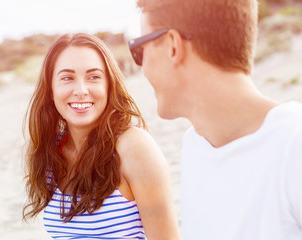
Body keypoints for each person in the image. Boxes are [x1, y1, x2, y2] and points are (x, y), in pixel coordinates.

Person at [128, 0, 302, 239]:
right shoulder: (196, 145)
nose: (142, 66)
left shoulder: (294, 145)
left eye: (139, 49)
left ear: (172, 46)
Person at [23, 33, 180, 239]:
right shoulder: (50, 151)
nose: (81, 90)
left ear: (109, 85)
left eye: (93, 77)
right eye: (67, 78)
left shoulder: (133, 146)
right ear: (50, 90)